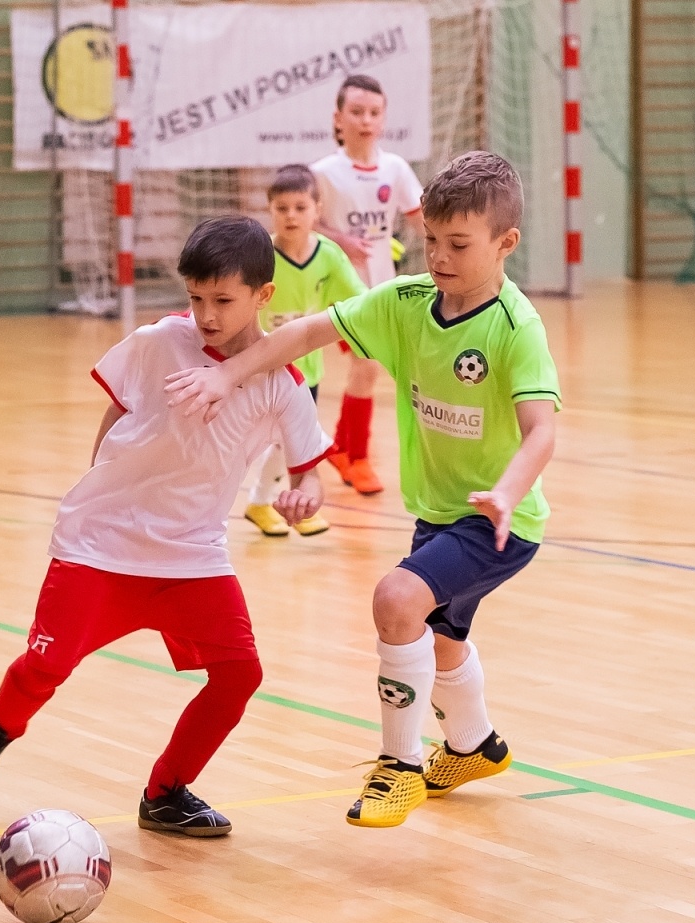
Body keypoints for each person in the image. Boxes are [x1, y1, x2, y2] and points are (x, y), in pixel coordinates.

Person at [165, 152, 559, 829]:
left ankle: (399, 768)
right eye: (431, 240)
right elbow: (306, 333)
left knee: (396, 599)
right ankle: (474, 747)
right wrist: (228, 376)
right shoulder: (407, 303)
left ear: (506, 244)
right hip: (439, 510)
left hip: (501, 518)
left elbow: (542, 432)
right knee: (440, 638)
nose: (437, 255)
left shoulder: (516, 328)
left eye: (458, 245)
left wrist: (505, 490)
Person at [0, 216, 331, 836]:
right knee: (45, 668)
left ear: (264, 296)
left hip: (191, 558)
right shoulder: (160, 340)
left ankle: (166, 792)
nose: (205, 314)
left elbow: (309, 473)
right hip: (100, 546)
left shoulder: (283, 384)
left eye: (223, 300)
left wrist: (303, 495)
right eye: (195, 298)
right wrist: (105, 484)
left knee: (241, 674)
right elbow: (117, 405)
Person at [310, 73, 425, 497]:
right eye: (356, 111)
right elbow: (303, 223)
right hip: (337, 285)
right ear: (338, 118)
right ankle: (353, 456)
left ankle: (344, 450)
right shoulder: (322, 173)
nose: (366, 120)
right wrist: (339, 239)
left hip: (383, 285)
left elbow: (420, 217)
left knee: (368, 368)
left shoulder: (395, 168)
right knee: (367, 365)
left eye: (374, 112)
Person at [245, 164, 367, 538]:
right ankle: (272, 501)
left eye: (300, 207)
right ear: (270, 210)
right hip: (260, 364)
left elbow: (359, 301)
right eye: (282, 208)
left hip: (304, 370)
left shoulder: (328, 255)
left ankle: (269, 502)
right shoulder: (259, 254)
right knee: (273, 440)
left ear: (317, 209)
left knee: (291, 440)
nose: (291, 216)